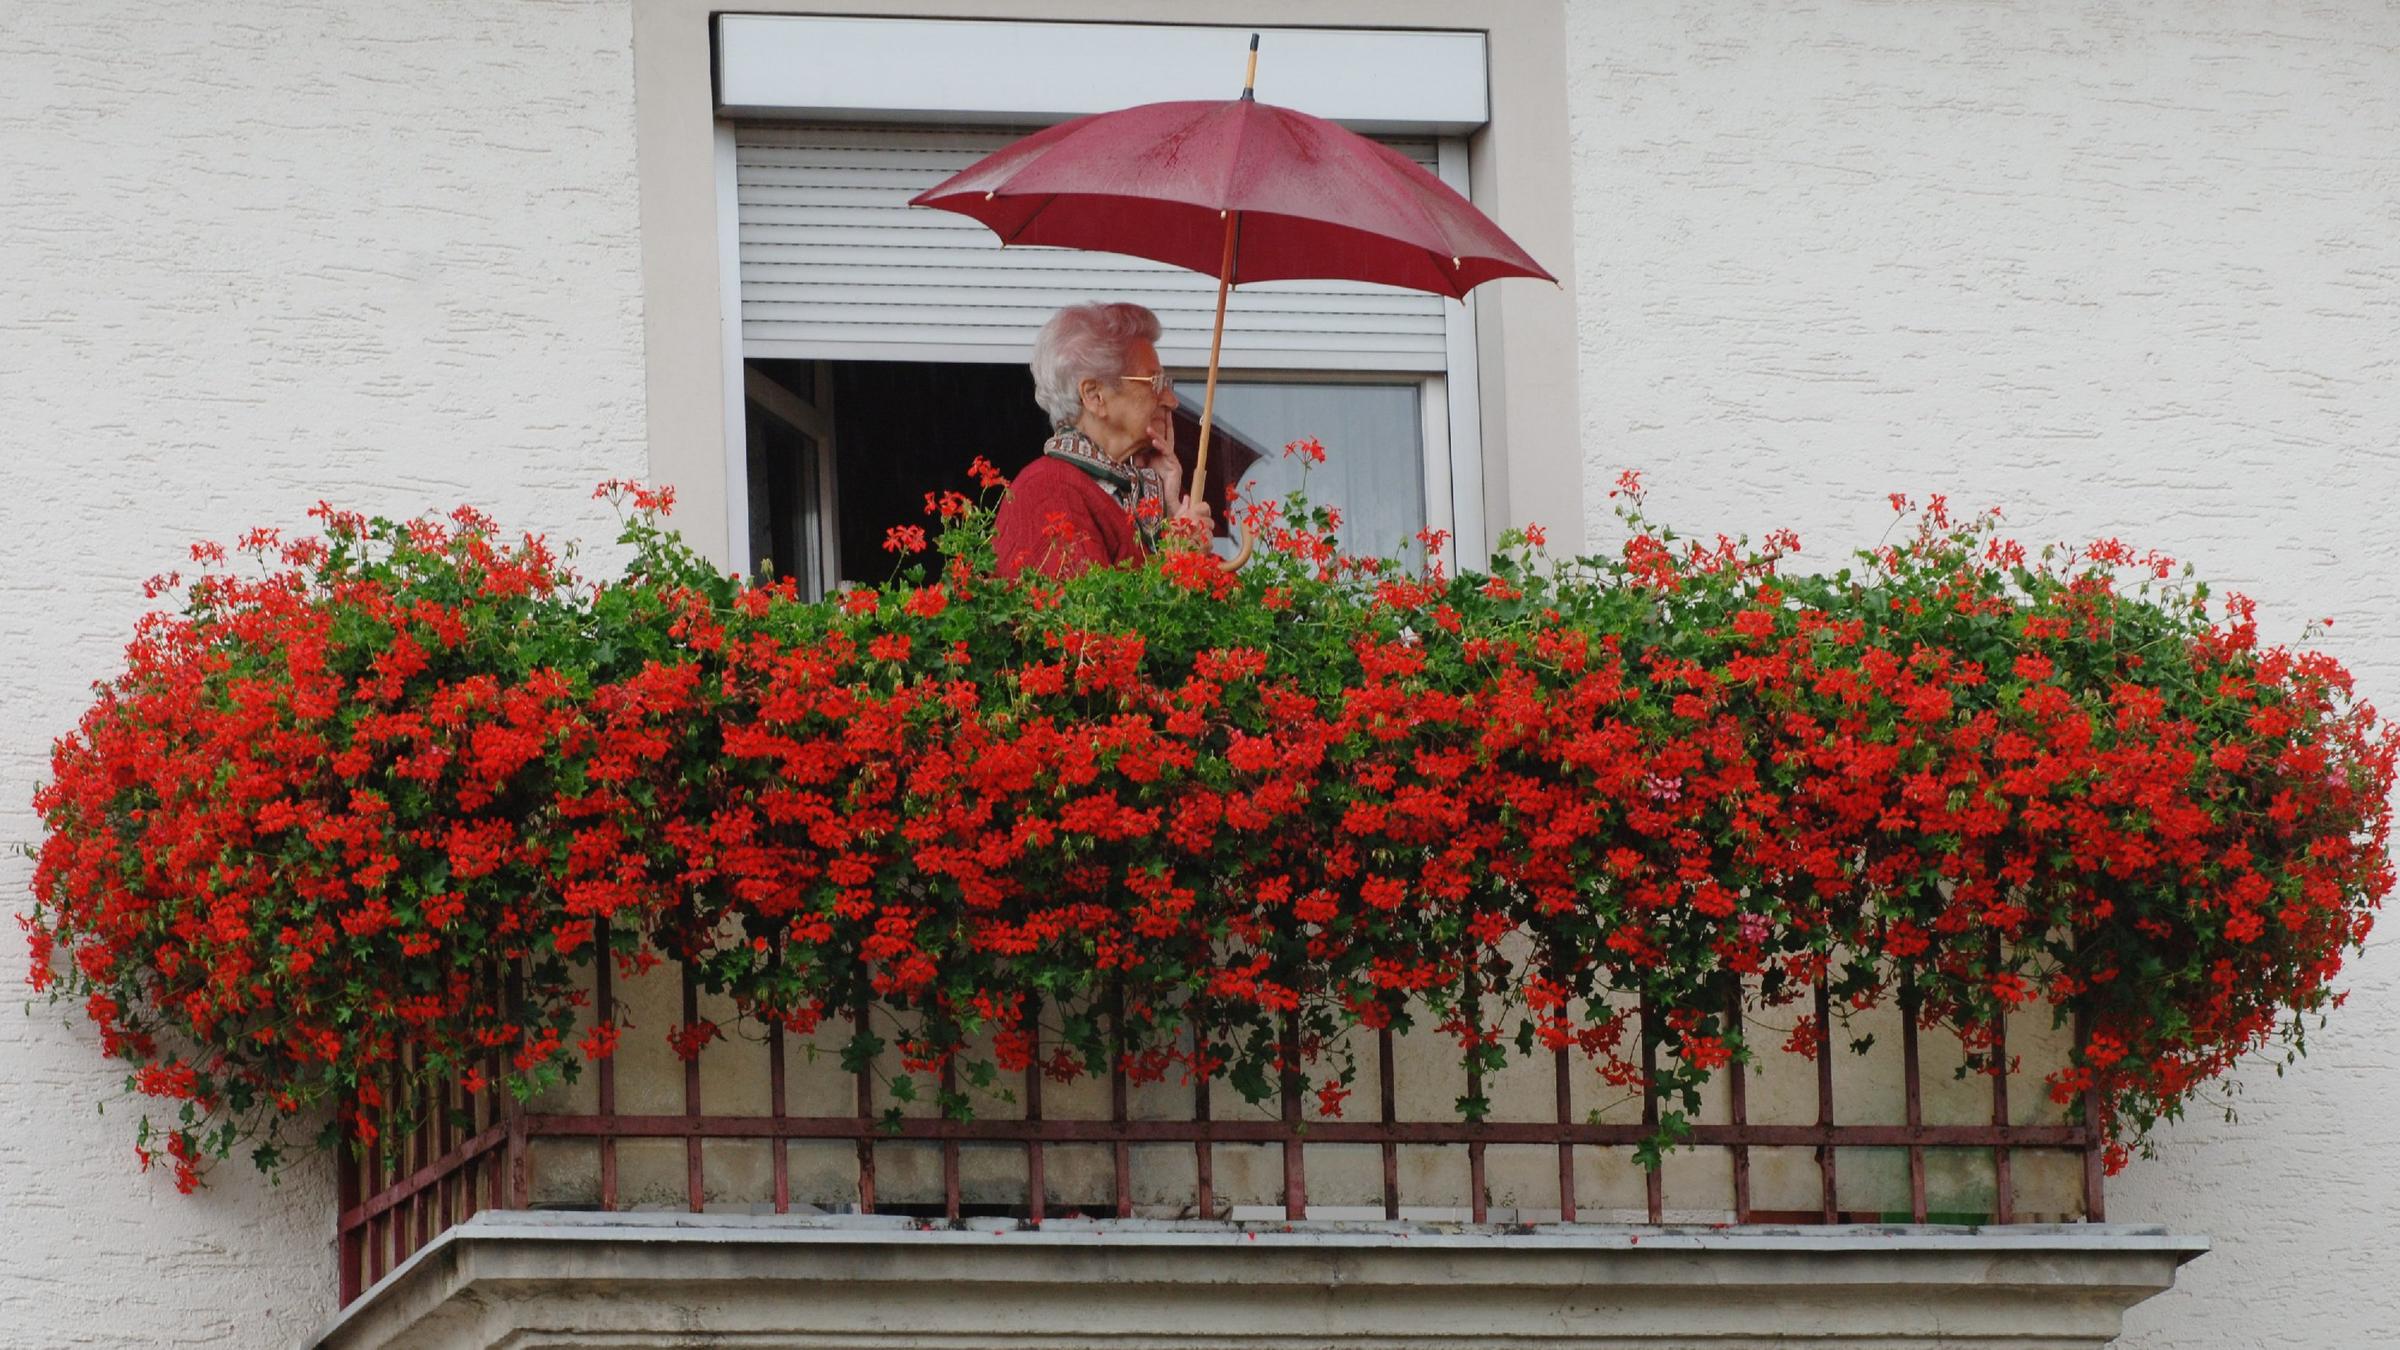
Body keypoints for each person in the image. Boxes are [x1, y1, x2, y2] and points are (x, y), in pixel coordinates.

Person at [992, 302, 1212, 579]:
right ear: (1095, 396)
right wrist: (1179, 556)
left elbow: (1220, 612)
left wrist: (1171, 510)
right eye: (1154, 382)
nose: (1171, 400)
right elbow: (1087, 616)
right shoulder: (1048, 489)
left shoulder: (1141, 491)